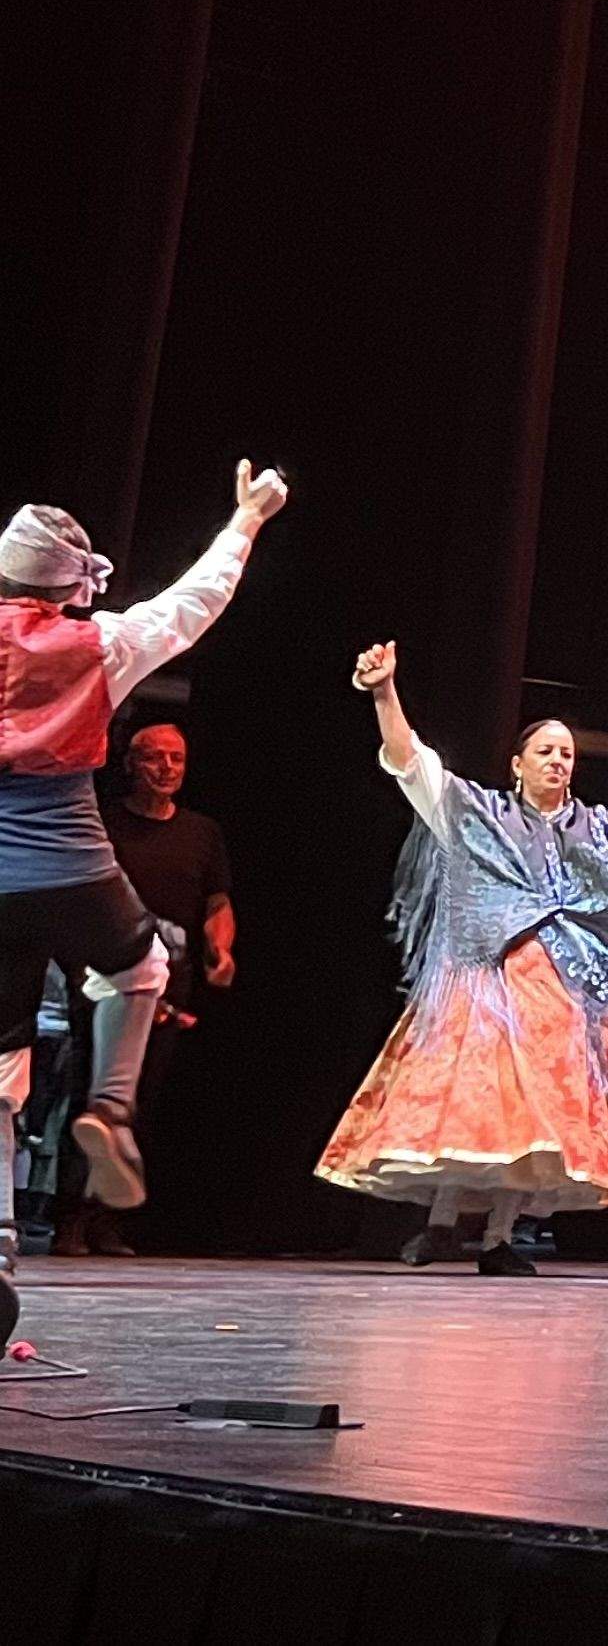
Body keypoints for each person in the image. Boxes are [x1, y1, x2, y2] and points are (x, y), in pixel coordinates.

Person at [316, 651, 608, 1267]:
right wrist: (385, 691)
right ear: (517, 764)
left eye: (567, 754)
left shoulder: (602, 831)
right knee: (479, 1104)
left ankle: (500, 1237)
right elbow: (411, 763)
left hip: (568, 995)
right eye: (546, 752)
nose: (559, 761)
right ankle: (444, 1221)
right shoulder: (480, 816)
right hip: (489, 986)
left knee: (538, 1123)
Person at [1, 471, 285, 1294]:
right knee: (141, 966)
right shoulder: (100, 644)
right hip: (66, 850)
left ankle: (2, 1240)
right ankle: (112, 1109)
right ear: (67, 584)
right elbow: (192, 604)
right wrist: (244, 521)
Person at [84, 721, 235, 1254]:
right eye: (155, 758)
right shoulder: (103, 824)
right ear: (131, 763)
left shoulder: (200, 833)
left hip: (171, 988)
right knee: (83, 1096)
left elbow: (217, 902)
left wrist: (222, 950)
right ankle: (64, 1218)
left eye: (177, 759)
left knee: (136, 1101)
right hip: (101, 980)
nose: (167, 769)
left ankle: (107, 1223)